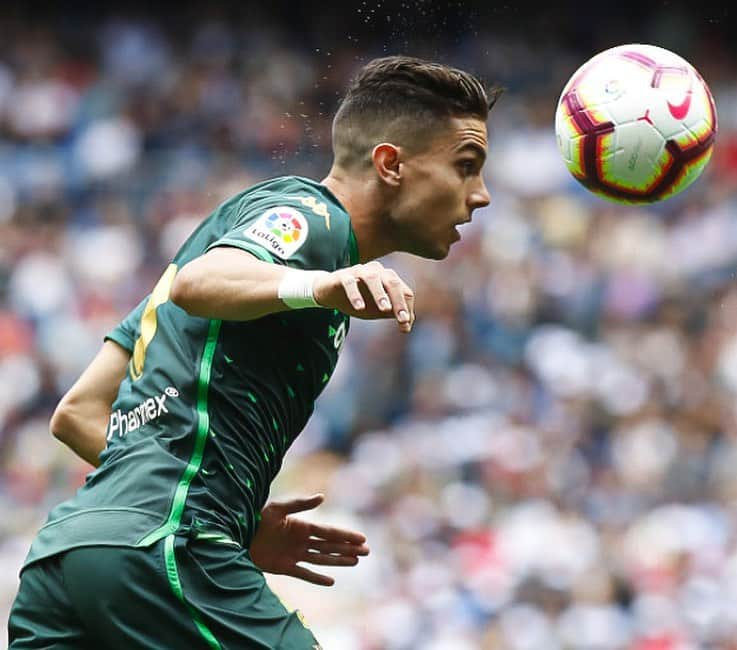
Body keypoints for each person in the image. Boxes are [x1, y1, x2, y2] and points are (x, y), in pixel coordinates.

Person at [8, 55, 500, 649]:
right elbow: (202, 284)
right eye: (466, 167)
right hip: (167, 547)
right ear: (390, 163)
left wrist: (237, 519)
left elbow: (78, 413)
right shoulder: (311, 220)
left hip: (71, 555)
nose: (481, 195)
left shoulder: (218, 239)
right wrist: (318, 286)